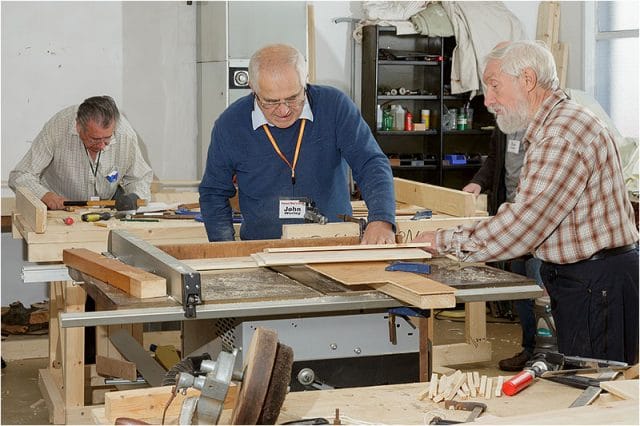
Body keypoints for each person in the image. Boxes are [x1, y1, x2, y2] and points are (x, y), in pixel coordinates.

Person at [414, 40, 639, 365]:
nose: (488, 100)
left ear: (528, 80)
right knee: (590, 384)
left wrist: (443, 240)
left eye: (494, 86)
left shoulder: (559, 135)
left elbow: (525, 223)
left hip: (596, 282)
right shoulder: (559, 122)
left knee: (595, 392)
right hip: (595, 277)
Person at [199, 44, 396, 243]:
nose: (284, 110)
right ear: (252, 88)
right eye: (271, 101)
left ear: (306, 80)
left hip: (333, 244)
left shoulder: (334, 106)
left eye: (293, 98)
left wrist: (381, 218)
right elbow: (214, 193)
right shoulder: (231, 124)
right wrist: (226, 249)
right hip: (261, 250)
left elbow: (370, 163)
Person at [463, 128, 544, 371]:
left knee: (541, 287)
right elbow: (496, 161)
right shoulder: (504, 125)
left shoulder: (546, 126)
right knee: (521, 288)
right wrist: (478, 183)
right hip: (513, 219)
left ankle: (552, 353)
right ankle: (530, 350)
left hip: (540, 220)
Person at [9, 95, 153, 210]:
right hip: (59, 211)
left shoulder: (125, 134)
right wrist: (45, 196)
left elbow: (139, 178)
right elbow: (20, 175)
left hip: (104, 211)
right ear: (78, 127)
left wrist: (135, 197)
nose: (102, 146)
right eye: (95, 139)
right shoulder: (58, 127)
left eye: (107, 138)